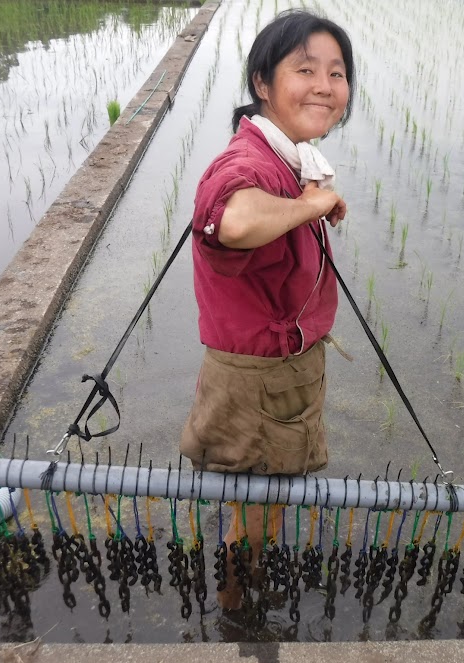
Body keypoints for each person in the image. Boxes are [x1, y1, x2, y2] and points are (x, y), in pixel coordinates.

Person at [180, 9, 354, 611]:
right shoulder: (249, 163)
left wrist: (308, 198)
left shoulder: (286, 158)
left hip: (276, 375)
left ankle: (242, 586)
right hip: (260, 384)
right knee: (257, 507)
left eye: (336, 73)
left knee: (259, 499)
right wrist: (312, 206)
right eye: (304, 69)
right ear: (262, 82)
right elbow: (234, 219)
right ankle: (235, 613)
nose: (325, 86)